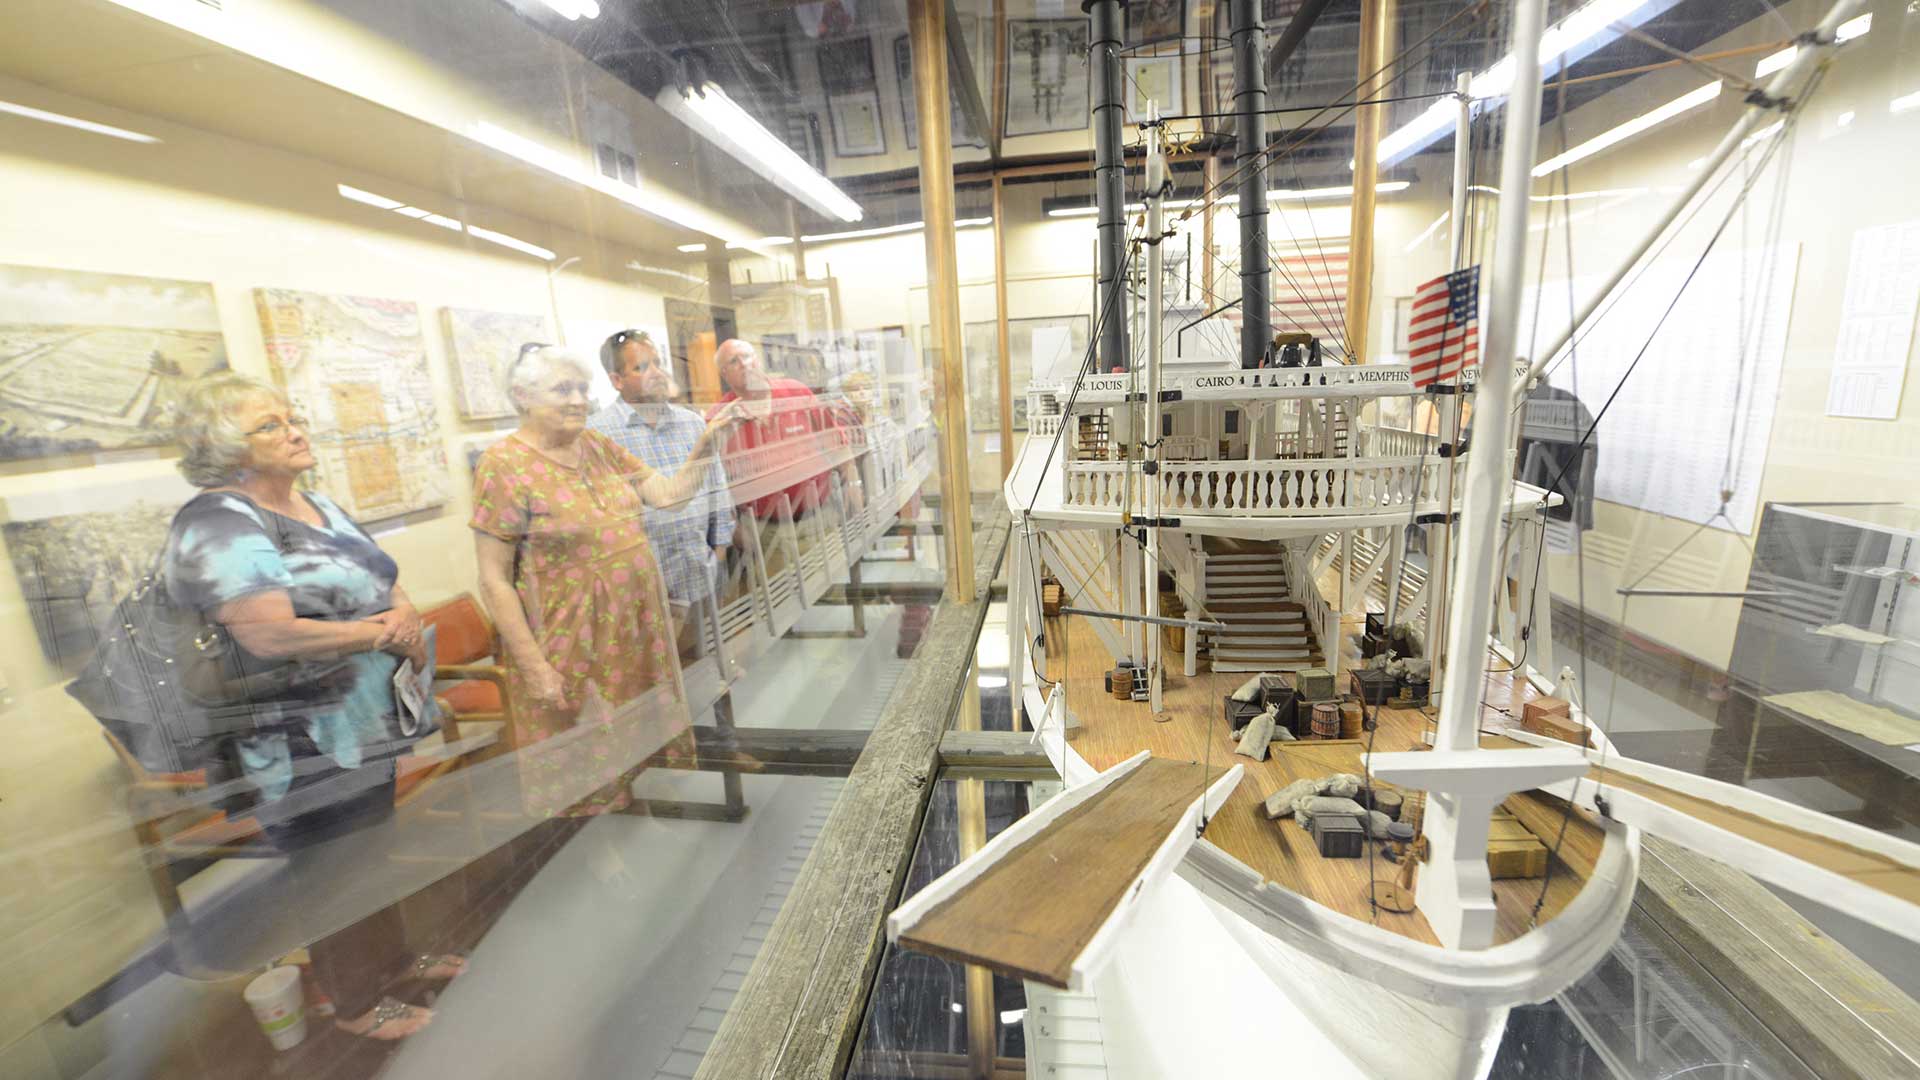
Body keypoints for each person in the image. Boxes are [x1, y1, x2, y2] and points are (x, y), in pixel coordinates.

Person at [165, 373, 461, 1041]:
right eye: (269, 425)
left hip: (360, 722)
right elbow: (266, 633)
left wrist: (407, 619)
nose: (295, 429)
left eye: (290, 416)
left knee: (370, 854)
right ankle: (357, 1003)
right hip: (292, 741)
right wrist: (381, 632)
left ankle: (397, 963)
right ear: (223, 447)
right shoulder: (215, 522)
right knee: (331, 872)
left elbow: (381, 578)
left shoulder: (315, 500)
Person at [470, 344, 743, 818]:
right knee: (586, 753)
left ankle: (637, 825)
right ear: (522, 396)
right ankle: (599, 856)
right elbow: (493, 578)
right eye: (562, 390)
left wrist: (706, 446)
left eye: (581, 388)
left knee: (635, 738)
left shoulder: (595, 445)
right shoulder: (504, 464)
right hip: (571, 636)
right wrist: (534, 666)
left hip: (632, 626)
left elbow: (668, 495)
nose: (578, 399)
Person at [587, 329, 734, 656]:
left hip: (698, 572)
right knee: (658, 682)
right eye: (641, 367)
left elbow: (717, 491)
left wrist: (718, 554)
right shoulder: (598, 435)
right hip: (641, 589)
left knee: (707, 666)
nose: (656, 373)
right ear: (616, 379)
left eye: (658, 363)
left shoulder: (691, 424)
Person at [706, 339, 862, 586]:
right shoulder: (718, 417)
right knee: (781, 610)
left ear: (758, 359)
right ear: (724, 374)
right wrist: (732, 527)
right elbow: (712, 482)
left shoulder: (796, 392)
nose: (744, 364)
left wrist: (854, 483)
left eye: (747, 356)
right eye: (733, 361)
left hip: (818, 520)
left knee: (832, 597)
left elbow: (837, 442)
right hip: (764, 533)